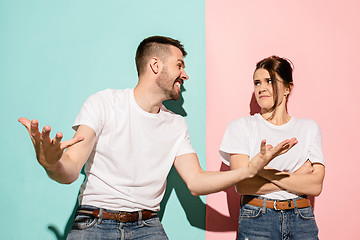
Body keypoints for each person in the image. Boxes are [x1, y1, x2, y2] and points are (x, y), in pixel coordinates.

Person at [19, 37, 297, 240]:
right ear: (155, 65)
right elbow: (69, 170)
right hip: (95, 222)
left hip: (147, 227)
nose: (185, 74)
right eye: (179, 65)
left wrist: (249, 169)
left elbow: (197, 182)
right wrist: (51, 161)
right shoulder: (103, 103)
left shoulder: (176, 125)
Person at [219, 55, 325, 239]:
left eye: (270, 81)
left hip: (302, 219)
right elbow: (243, 185)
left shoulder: (309, 128)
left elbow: (315, 186)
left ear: (288, 88)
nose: (261, 88)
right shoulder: (241, 127)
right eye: (257, 82)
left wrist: (261, 170)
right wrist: (298, 177)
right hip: (257, 217)